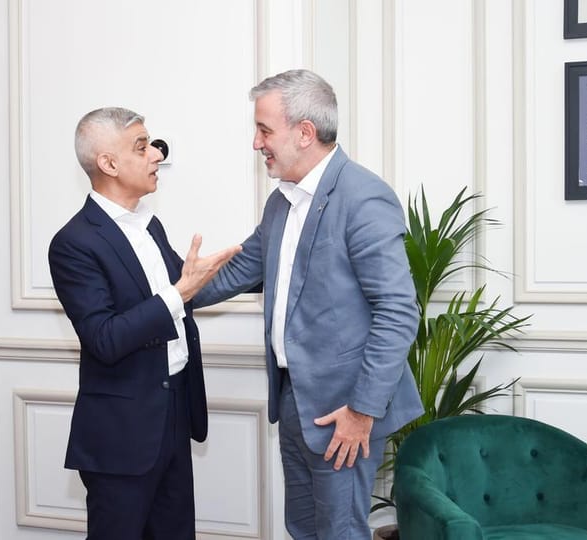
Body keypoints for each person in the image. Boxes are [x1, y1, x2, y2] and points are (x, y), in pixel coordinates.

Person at [194, 70, 422, 539]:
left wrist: (362, 412)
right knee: (302, 527)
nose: (257, 144)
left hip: (345, 409)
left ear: (304, 132)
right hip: (295, 398)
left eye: (264, 130)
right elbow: (239, 271)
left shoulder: (363, 197)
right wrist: (164, 291)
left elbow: (398, 311)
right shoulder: (281, 202)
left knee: (339, 532)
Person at [48, 107, 241, 540]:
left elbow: (185, 288)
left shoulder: (150, 225)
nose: (156, 155)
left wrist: (263, 264)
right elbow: (105, 338)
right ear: (108, 164)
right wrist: (179, 292)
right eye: (142, 146)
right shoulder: (73, 243)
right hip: (121, 434)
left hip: (173, 414)